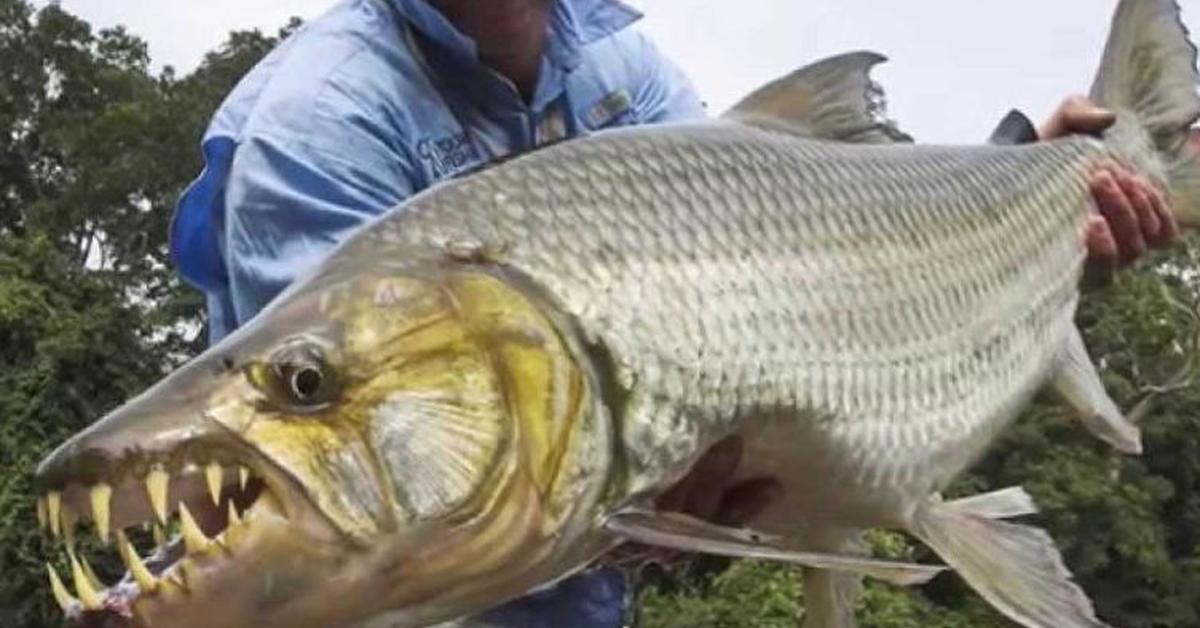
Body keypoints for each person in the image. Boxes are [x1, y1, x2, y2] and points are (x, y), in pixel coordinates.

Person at [169, 1, 1177, 626]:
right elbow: (358, 503)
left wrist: (1023, 170)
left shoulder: (622, 64)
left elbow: (790, 228)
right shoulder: (322, 124)